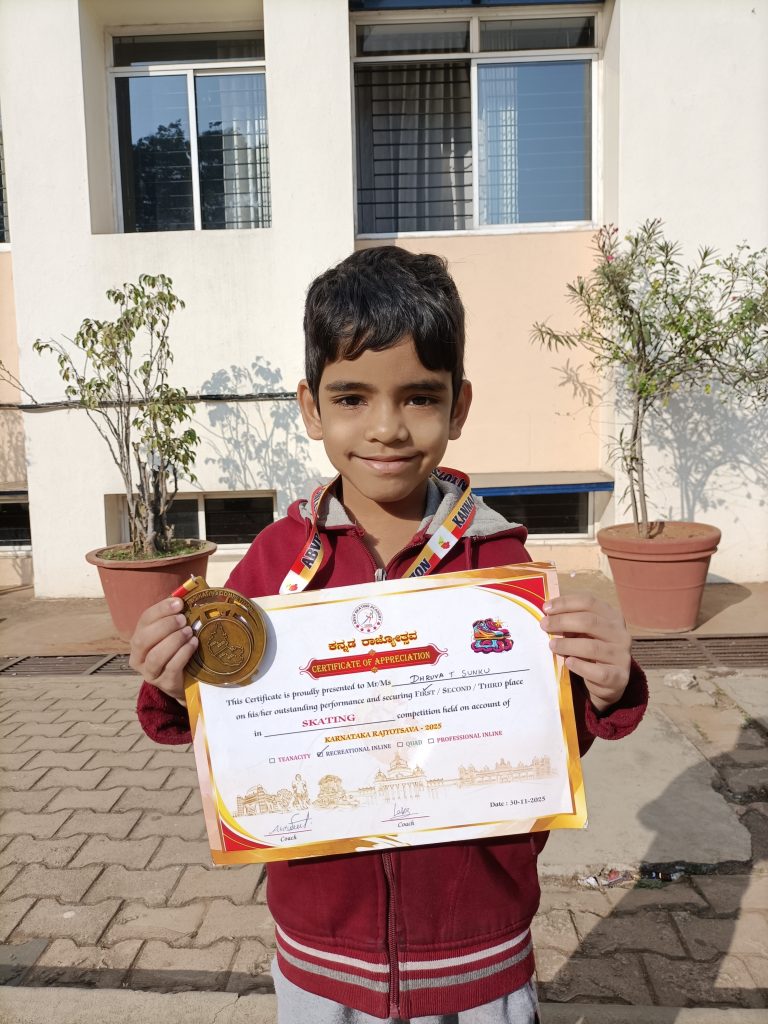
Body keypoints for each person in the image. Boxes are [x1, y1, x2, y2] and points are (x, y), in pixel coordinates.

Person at [132, 246, 648, 1024]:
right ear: (310, 408)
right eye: (351, 397)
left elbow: (542, 743)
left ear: (458, 405)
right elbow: (226, 722)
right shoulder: (272, 563)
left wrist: (605, 687)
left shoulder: (501, 566)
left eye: (418, 397)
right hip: (321, 950)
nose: (386, 428)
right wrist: (173, 679)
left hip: (477, 947)